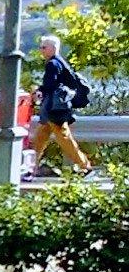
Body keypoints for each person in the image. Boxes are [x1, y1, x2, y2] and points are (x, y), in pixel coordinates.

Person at [29, 33, 93, 177]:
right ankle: (29, 166)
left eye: (44, 47)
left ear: (53, 48)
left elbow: (50, 85)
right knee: (40, 138)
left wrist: (39, 91)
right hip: (55, 107)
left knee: (64, 138)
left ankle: (85, 165)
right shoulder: (60, 62)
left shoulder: (53, 64)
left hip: (55, 108)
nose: (41, 50)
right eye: (41, 47)